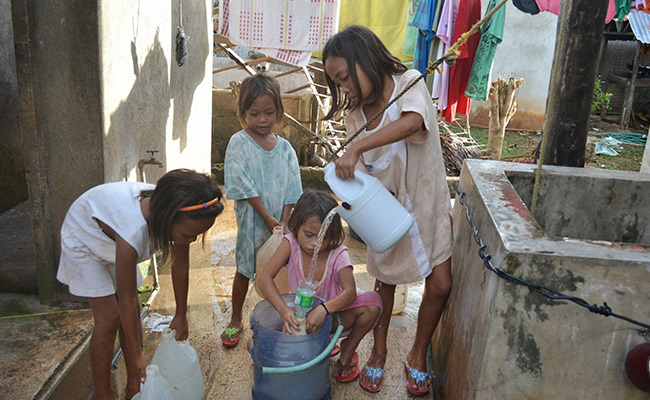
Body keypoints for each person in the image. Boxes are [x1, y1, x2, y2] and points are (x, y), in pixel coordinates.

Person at [322, 25, 454, 396]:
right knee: (386, 285)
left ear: (364, 60)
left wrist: (359, 146)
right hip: (389, 216)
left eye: (345, 77)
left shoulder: (408, 84)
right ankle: (378, 352)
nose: (343, 88)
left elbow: (413, 123)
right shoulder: (354, 118)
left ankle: (418, 352)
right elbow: (362, 183)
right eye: (336, 82)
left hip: (426, 204)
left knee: (440, 284)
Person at [56, 169, 225, 400]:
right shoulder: (132, 231)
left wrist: (181, 313)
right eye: (189, 234)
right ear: (167, 217)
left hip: (113, 235)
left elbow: (180, 266)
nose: (192, 239)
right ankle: (103, 394)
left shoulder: (178, 208)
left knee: (133, 314)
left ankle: (134, 384)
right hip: (84, 236)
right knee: (110, 317)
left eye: (197, 235)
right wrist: (137, 356)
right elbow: (125, 298)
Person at [257, 190, 382, 383]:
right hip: (298, 319)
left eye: (324, 237)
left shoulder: (338, 254)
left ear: (333, 234)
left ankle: (347, 350)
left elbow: (350, 292)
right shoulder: (290, 244)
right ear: (296, 226)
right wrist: (283, 311)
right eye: (308, 235)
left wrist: (324, 309)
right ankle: (322, 345)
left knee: (373, 304)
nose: (315, 243)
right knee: (260, 346)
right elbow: (264, 278)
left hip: (331, 319)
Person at [222, 73, 303, 348]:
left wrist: (284, 219)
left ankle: (285, 315)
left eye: (269, 112)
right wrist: (268, 218)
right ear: (243, 113)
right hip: (252, 223)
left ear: (279, 111)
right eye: (254, 113)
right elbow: (240, 183)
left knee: (284, 271)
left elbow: (293, 187)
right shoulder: (239, 143)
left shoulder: (286, 149)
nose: (262, 120)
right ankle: (235, 319)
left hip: (281, 223)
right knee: (244, 270)